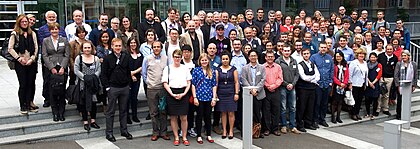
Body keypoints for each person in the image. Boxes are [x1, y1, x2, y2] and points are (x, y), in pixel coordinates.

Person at [101, 38, 133, 142]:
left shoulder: (126, 57)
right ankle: (109, 133)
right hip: (113, 88)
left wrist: (128, 84)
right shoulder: (107, 58)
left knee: (124, 110)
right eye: (116, 46)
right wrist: (107, 87)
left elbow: (129, 72)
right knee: (110, 111)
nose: (118, 48)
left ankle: (124, 130)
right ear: (112, 46)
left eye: (119, 46)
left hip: (124, 87)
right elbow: (103, 74)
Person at [8, 14, 39, 114]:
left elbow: (36, 47)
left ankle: (29, 103)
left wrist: (32, 59)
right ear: (19, 23)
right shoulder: (15, 33)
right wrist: (18, 58)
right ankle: (23, 105)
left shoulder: (32, 33)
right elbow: (10, 48)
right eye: (22, 22)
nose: (25, 23)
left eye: (26, 21)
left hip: (31, 62)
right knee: (23, 84)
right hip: (20, 63)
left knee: (30, 83)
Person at [162, 49, 192, 146]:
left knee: (184, 117)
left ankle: (184, 136)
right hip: (172, 93)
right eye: (175, 57)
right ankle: (176, 137)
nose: (177, 59)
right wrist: (172, 94)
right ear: (172, 57)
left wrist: (184, 94)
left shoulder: (185, 68)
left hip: (183, 93)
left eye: (179, 57)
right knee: (173, 117)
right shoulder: (168, 68)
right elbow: (165, 83)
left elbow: (189, 83)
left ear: (181, 57)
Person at [42, 22, 70, 122]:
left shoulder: (64, 40)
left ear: (59, 30)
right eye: (52, 29)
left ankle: (62, 112)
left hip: (62, 67)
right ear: (49, 30)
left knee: (61, 90)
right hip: (50, 68)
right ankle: (55, 113)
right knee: (52, 91)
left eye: (56, 29)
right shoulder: (46, 41)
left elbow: (67, 55)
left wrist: (63, 67)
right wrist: (51, 68)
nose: (54, 31)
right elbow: (44, 55)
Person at [142, 41, 170, 141]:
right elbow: (144, 74)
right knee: (153, 112)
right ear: (152, 48)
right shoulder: (147, 58)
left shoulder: (165, 58)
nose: (156, 48)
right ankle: (155, 132)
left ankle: (163, 132)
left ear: (161, 48)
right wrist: (149, 83)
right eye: (154, 47)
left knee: (163, 111)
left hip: (162, 89)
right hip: (151, 89)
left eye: (158, 47)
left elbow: (168, 71)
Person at [38, 10, 66, 108]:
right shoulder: (41, 29)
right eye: (49, 17)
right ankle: (47, 98)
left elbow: (64, 41)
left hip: (61, 59)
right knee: (47, 80)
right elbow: (43, 43)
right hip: (48, 60)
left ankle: (59, 98)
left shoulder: (61, 28)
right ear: (46, 18)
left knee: (61, 79)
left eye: (53, 16)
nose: (51, 18)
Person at [74, 42, 101, 132]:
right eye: (85, 48)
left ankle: (93, 121)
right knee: (83, 103)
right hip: (82, 84)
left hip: (93, 84)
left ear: (92, 48)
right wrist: (85, 77)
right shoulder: (79, 58)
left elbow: (98, 70)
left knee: (93, 102)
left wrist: (93, 78)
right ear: (82, 48)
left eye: (89, 47)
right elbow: (76, 70)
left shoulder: (96, 58)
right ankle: (85, 121)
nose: (87, 49)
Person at [192, 53, 217, 144]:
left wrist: (214, 98)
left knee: (208, 116)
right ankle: (199, 135)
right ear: (200, 61)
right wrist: (194, 97)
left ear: (208, 61)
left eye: (206, 60)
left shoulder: (212, 71)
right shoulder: (196, 70)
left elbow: (214, 85)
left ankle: (209, 134)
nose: (204, 62)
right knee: (199, 116)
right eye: (202, 60)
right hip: (199, 97)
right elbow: (193, 84)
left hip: (209, 97)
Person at [276, 44, 301, 134]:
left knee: (293, 107)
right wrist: (286, 84)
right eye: (285, 50)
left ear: (291, 51)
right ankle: (283, 126)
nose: (286, 52)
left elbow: (297, 74)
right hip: (283, 87)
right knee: (283, 107)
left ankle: (292, 126)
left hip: (292, 87)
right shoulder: (278, 61)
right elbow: (278, 75)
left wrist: (292, 84)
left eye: (288, 50)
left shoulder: (294, 61)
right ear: (282, 51)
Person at [241, 50, 266, 138]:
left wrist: (256, 90)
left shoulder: (262, 68)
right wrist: (251, 89)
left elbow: (263, 80)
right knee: (249, 113)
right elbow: (243, 79)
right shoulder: (245, 68)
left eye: (254, 55)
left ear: (257, 57)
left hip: (259, 94)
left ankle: (258, 131)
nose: (253, 57)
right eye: (251, 56)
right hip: (248, 94)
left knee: (258, 113)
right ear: (248, 57)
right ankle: (249, 130)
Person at [215, 50, 239, 139]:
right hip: (221, 93)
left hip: (231, 92)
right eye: (223, 59)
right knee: (223, 113)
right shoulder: (218, 70)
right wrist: (215, 94)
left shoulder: (233, 69)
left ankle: (231, 131)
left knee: (231, 113)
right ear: (221, 60)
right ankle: (224, 130)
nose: (225, 60)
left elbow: (236, 82)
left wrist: (236, 93)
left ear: (229, 59)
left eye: (227, 59)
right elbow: (216, 83)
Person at [296, 48, 320, 132]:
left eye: (307, 53)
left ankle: (308, 123)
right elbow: (304, 77)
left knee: (310, 106)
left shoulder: (313, 64)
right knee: (302, 106)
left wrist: (313, 79)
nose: (306, 55)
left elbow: (318, 75)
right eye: (304, 54)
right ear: (302, 55)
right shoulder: (300, 65)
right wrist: (313, 78)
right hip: (303, 89)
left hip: (312, 88)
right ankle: (299, 124)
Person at [310, 42, 333, 128]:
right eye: (322, 47)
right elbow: (311, 68)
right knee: (317, 103)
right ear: (319, 48)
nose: (323, 49)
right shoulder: (314, 57)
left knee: (324, 103)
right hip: (318, 84)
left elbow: (331, 70)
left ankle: (322, 119)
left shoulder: (329, 58)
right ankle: (315, 120)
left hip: (327, 84)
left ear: (327, 48)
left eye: (325, 47)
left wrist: (330, 82)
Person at [262, 51, 283, 136]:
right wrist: (268, 86)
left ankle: (275, 129)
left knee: (276, 110)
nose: (270, 58)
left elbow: (280, 78)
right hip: (265, 91)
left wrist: (274, 86)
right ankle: (267, 129)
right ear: (265, 58)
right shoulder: (262, 67)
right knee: (266, 111)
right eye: (268, 56)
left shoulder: (278, 67)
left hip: (276, 90)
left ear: (274, 58)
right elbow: (261, 79)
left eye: (271, 56)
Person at [394, 50, 418, 120]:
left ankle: (406, 114)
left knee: (407, 100)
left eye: (405, 56)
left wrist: (414, 85)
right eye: (402, 56)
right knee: (400, 101)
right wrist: (398, 85)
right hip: (401, 85)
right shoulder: (399, 64)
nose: (403, 57)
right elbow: (396, 75)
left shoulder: (413, 64)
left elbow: (415, 75)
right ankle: (398, 115)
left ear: (408, 56)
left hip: (409, 85)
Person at [377, 45, 398, 116]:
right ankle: (377, 109)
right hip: (381, 77)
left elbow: (395, 68)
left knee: (386, 94)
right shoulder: (380, 56)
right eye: (388, 49)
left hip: (390, 78)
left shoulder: (395, 58)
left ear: (393, 50)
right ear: (385, 49)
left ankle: (385, 108)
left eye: (390, 49)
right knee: (380, 94)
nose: (389, 50)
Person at [348, 48, 368, 121]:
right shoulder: (353, 63)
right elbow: (350, 74)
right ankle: (353, 113)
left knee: (359, 100)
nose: (361, 55)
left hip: (362, 84)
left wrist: (365, 84)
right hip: (354, 84)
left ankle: (357, 113)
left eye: (363, 54)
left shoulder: (365, 63)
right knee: (354, 99)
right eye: (360, 54)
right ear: (357, 55)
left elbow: (366, 74)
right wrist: (350, 83)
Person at [127, 37, 143, 124]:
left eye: (134, 43)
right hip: (127, 79)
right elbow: (125, 67)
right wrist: (131, 74)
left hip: (137, 79)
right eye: (131, 43)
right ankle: (127, 116)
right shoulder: (126, 54)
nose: (133, 44)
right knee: (127, 98)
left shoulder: (140, 54)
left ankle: (134, 115)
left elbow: (142, 66)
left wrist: (134, 73)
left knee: (134, 97)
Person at [331, 51, 349, 124]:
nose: (339, 58)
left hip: (343, 86)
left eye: (340, 56)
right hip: (335, 85)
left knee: (340, 102)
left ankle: (338, 116)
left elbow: (347, 75)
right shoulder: (333, 64)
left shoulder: (345, 64)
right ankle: (333, 117)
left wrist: (344, 84)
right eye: (337, 56)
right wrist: (339, 83)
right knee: (334, 102)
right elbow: (333, 76)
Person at [365, 53, 382, 120]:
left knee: (375, 99)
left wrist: (373, 83)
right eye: (371, 57)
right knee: (367, 99)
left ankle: (374, 113)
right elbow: (365, 74)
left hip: (375, 84)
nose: (373, 59)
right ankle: (368, 112)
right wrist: (369, 83)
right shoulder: (366, 64)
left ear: (376, 58)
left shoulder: (379, 65)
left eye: (374, 57)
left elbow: (379, 75)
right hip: (368, 83)